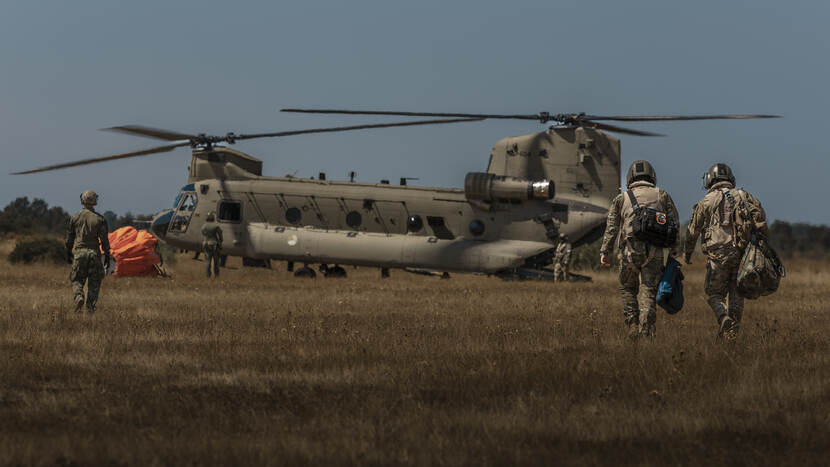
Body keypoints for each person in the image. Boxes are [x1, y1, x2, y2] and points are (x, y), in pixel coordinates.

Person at [684, 163, 768, 338]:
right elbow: (761, 220)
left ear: (710, 179)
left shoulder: (706, 201)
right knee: (736, 295)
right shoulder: (744, 196)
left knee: (714, 294)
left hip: (718, 256)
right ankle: (731, 336)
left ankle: (723, 318)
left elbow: (693, 231)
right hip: (743, 255)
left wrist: (688, 253)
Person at [600, 160, 679, 338]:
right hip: (655, 251)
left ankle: (632, 325)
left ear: (630, 177)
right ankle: (646, 328)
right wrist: (674, 247)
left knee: (627, 288)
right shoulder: (662, 195)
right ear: (652, 176)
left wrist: (605, 251)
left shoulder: (621, 198)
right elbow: (674, 222)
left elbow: (611, 228)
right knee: (649, 289)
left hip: (629, 252)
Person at [65, 190, 111, 313]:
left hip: (79, 253)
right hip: (94, 254)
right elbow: (104, 241)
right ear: (94, 200)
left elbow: (69, 238)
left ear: (82, 200)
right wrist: (107, 255)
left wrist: (68, 252)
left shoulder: (74, 217)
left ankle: (79, 296)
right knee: (94, 283)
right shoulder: (100, 219)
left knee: (76, 280)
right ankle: (90, 308)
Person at [201, 211, 223, 278]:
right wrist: (220, 242)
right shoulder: (216, 226)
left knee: (208, 260)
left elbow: (203, 234)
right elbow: (221, 236)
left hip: (206, 244)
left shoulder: (203, 226)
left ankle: (208, 275)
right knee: (216, 261)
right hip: (215, 244)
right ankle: (216, 275)